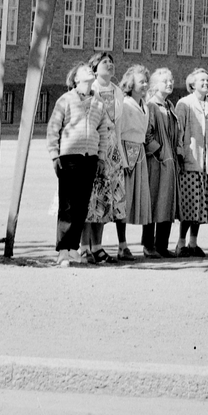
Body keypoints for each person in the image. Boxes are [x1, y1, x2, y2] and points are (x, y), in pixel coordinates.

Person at [46, 62, 114, 267]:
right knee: (67, 205)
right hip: (69, 158)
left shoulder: (99, 102)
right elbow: (54, 127)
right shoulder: (65, 100)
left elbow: (103, 131)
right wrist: (54, 154)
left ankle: (74, 249)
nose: (90, 72)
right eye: (85, 71)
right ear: (76, 79)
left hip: (90, 158)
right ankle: (63, 250)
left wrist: (101, 157)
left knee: (82, 207)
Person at [81, 51, 125, 264]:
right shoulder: (90, 89)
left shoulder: (118, 92)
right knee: (90, 199)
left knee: (105, 200)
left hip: (113, 151)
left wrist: (121, 156)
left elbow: (120, 124)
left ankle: (97, 247)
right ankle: (84, 247)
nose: (109, 64)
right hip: (94, 147)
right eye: (104, 61)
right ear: (94, 68)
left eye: (111, 61)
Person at [175, 67, 208, 256]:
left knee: (203, 205)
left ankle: (193, 243)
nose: (205, 83)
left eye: (207, 81)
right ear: (192, 84)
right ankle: (180, 243)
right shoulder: (184, 103)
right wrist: (180, 153)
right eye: (201, 81)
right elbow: (179, 131)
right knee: (189, 204)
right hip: (191, 159)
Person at [114, 64, 154, 261]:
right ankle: (122, 245)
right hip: (126, 153)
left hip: (139, 154)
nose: (145, 84)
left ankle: (130, 244)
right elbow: (118, 131)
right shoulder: (125, 103)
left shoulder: (144, 105)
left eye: (147, 81)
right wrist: (122, 159)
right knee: (123, 200)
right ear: (131, 84)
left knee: (136, 200)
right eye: (141, 81)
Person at [144, 68, 181, 258]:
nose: (170, 83)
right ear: (155, 85)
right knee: (153, 201)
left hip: (170, 161)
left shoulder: (169, 105)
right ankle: (148, 245)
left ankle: (162, 245)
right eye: (165, 80)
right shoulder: (151, 106)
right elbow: (147, 133)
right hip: (156, 161)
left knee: (167, 202)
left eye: (171, 80)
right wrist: (159, 151)